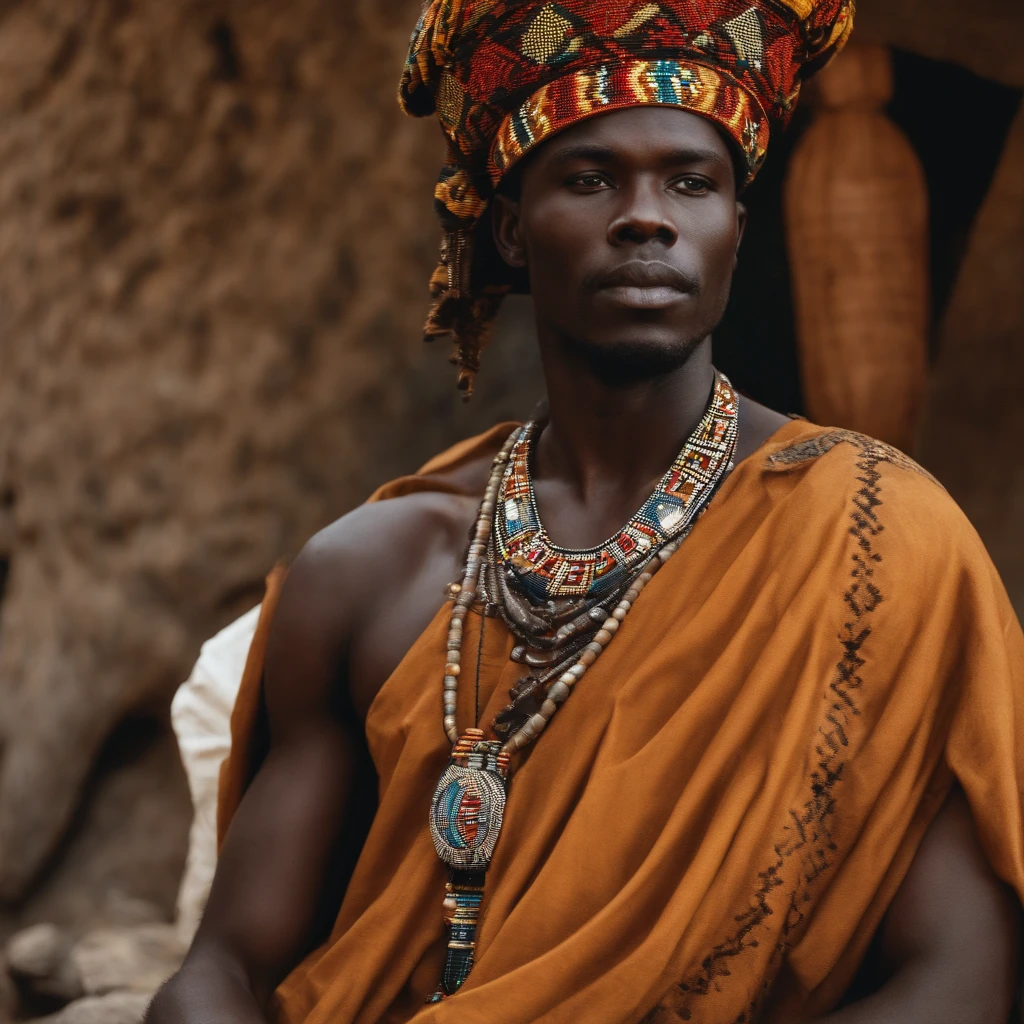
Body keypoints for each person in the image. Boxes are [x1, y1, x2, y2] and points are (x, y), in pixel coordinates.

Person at [147, 1, 1024, 1021]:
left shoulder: (878, 540)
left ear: (733, 231)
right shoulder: (368, 569)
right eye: (590, 177)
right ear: (512, 232)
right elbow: (227, 967)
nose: (645, 215)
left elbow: (960, 979)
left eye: (690, 183)